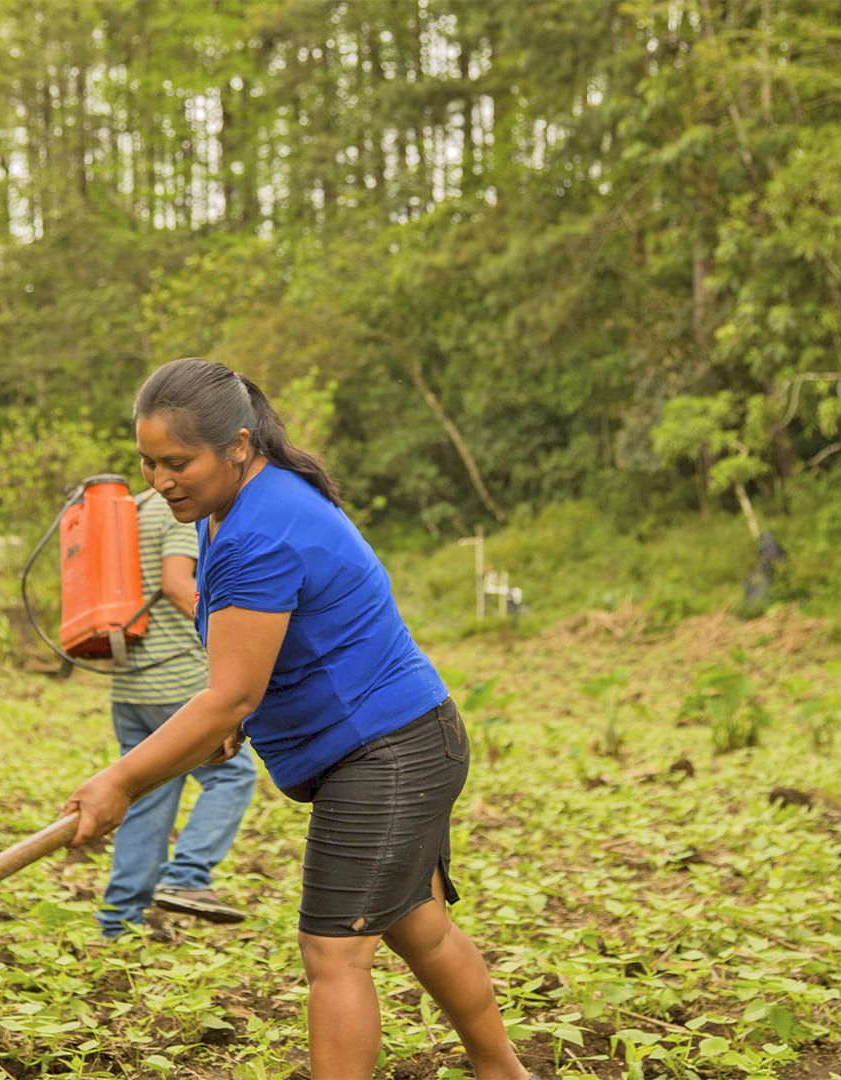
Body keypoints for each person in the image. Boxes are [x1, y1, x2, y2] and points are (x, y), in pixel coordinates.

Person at [64, 358, 532, 1079]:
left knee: (333, 952)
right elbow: (271, 667)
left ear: (239, 445)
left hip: (388, 754)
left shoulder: (261, 530)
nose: (159, 483)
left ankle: (503, 1070)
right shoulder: (233, 508)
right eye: (148, 463)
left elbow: (230, 695)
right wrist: (228, 724)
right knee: (422, 930)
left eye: (177, 462)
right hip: (404, 739)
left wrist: (120, 781)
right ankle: (505, 1073)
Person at [96, 487, 256, 939]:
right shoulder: (179, 512)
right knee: (232, 775)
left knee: (144, 793)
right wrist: (231, 620)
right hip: (177, 682)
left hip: (130, 684)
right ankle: (187, 875)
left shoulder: (131, 511)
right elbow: (175, 583)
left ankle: (118, 920)